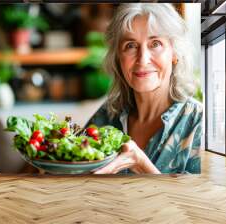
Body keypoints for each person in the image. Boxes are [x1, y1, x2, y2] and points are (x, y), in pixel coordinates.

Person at [86, 3, 203, 174]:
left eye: (155, 44)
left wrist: (140, 164)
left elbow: (198, 200)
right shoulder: (106, 115)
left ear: (174, 54)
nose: (143, 59)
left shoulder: (198, 122)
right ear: (118, 58)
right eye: (131, 46)